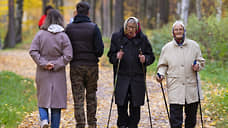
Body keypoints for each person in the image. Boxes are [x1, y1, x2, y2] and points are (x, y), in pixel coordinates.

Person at [156, 21, 205, 128]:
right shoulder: (167, 48)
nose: (178, 32)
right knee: (175, 120)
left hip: (191, 87)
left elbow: (201, 61)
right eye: (176, 30)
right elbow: (162, 65)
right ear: (173, 32)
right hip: (175, 87)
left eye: (180, 29)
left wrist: (198, 66)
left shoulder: (194, 45)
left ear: (184, 31)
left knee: (191, 119)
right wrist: (160, 74)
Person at [108, 17, 155, 128]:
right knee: (121, 108)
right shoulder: (117, 37)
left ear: (137, 28)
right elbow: (110, 56)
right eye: (129, 27)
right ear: (125, 27)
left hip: (137, 79)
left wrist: (145, 59)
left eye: (134, 27)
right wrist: (116, 56)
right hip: (121, 78)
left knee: (136, 110)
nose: (131, 30)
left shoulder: (143, 39)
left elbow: (151, 56)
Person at [29, 9, 73, 128]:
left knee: (42, 98)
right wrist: (56, 64)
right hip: (58, 72)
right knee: (56, 104)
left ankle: (43, 119)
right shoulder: (63, 36)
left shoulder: (40, 34)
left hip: (43, 72)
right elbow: (68, 55)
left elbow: (33, 51)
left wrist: (44, 63)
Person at [65, 2, 104, 128]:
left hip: (76, 66)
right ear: (88, 13)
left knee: (78, 98)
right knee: (91, 96)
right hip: (91, 66)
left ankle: (80, 124)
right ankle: (92, 124)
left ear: (76, 12)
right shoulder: (94, 28)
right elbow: (100, 50)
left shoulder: (69, 28)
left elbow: (66, 48)